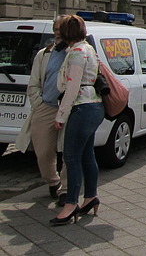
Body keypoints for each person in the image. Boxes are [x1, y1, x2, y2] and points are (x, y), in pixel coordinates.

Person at [50, 15, 104, 225]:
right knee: (87, 154)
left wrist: (60, 116)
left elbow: (72, 88)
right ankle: (90, 196)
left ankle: (71, 203)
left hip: (81, 107)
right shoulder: (88, 48)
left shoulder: (75, 53)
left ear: (65, 33)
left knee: (71, 157)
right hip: (94, 106)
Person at [15, 14, 69, 206]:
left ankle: (66, 190)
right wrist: (39, 104)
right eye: (55, 29)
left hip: (70, 109)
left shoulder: (76, 52)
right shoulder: (44, 54)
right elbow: (34, 83)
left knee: (69, 152)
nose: (57, 33)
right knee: (44, 151)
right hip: (46, 107)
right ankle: (53, 182)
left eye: (61, 30)